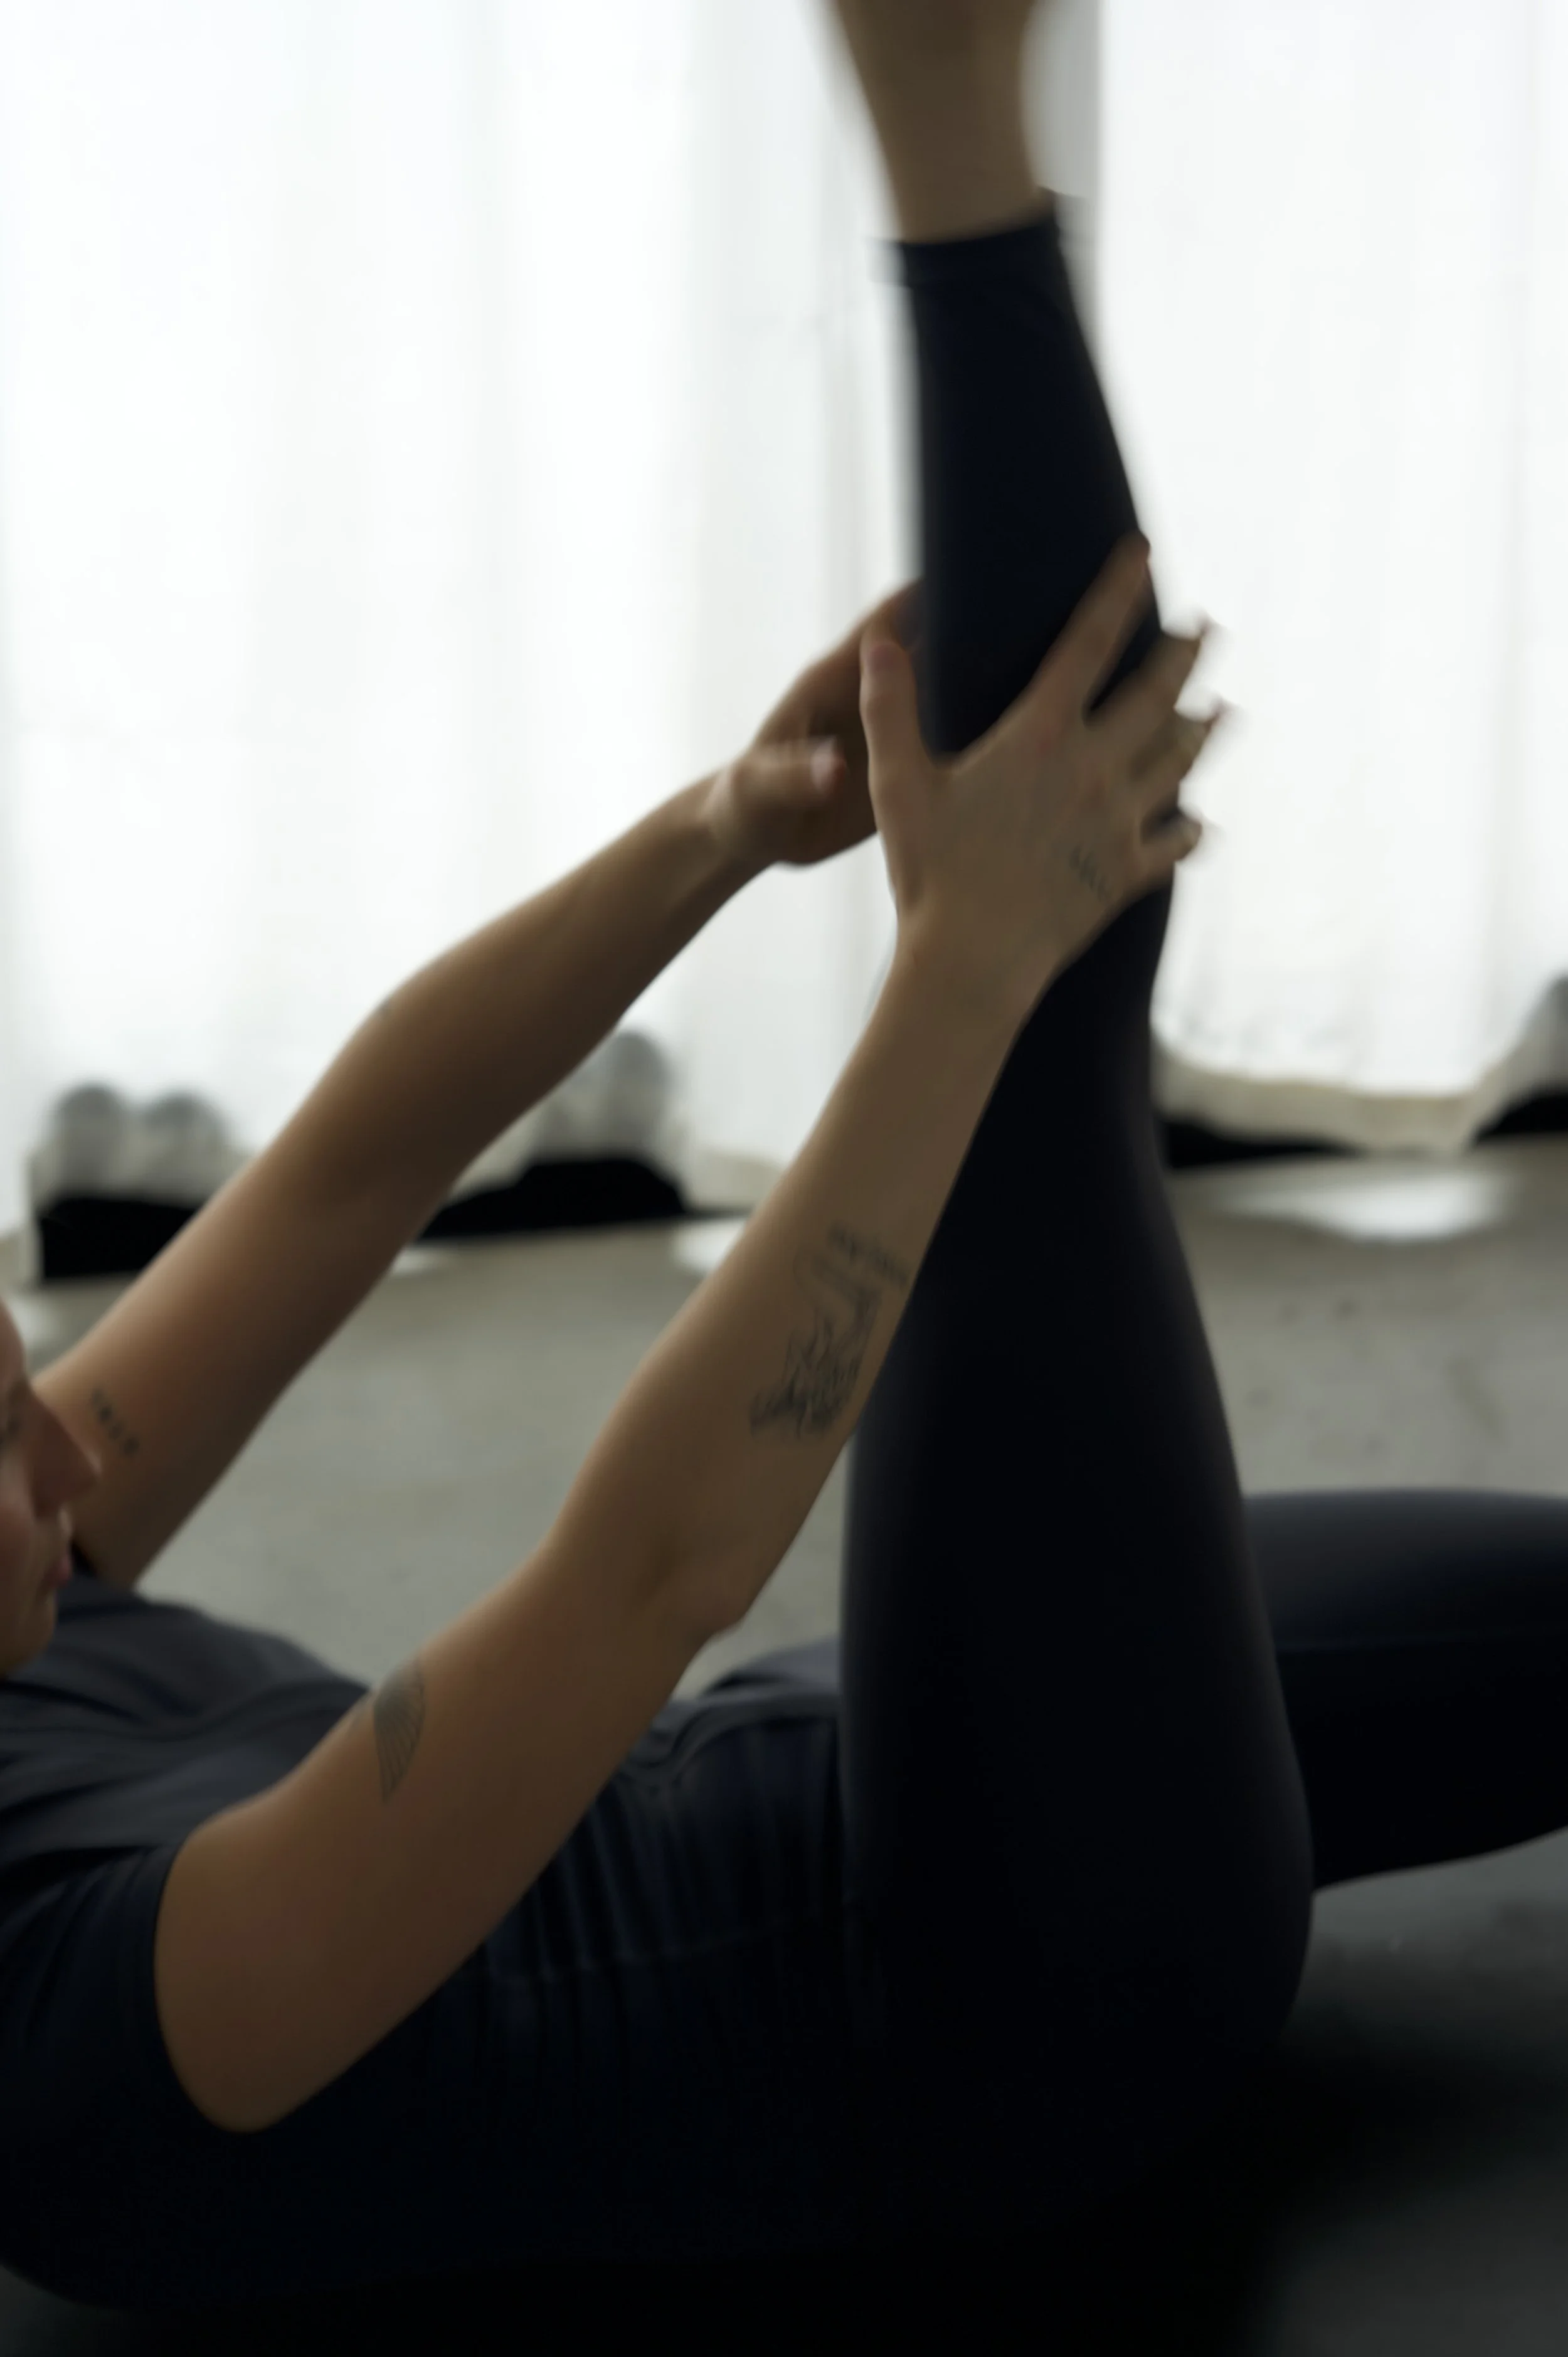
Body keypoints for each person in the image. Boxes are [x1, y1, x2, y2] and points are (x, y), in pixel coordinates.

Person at [4, 0, 1568, 2316]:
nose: (64, 1422)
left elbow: (346, 1175)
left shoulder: (16, 1559)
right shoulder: (72, 2051)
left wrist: (720, 833)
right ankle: (947, 115)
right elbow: (651, 1571)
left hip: (847, 1758)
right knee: (1030, 1032)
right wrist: (954, 961)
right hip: (1001, 1984)